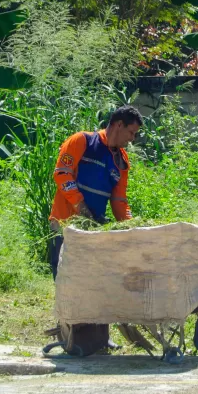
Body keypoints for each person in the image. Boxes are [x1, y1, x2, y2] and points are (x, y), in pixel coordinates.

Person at [47, 105, 144, 278]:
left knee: (88, 283)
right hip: (64, 225)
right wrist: (81, 207)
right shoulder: (82, 141)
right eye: (131, 132)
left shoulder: (121, 161)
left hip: (92, 230)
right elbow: (62, 174)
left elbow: (119, 200)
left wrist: (132, 227)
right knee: (64, 282)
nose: (132, 139)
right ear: (119, 125)